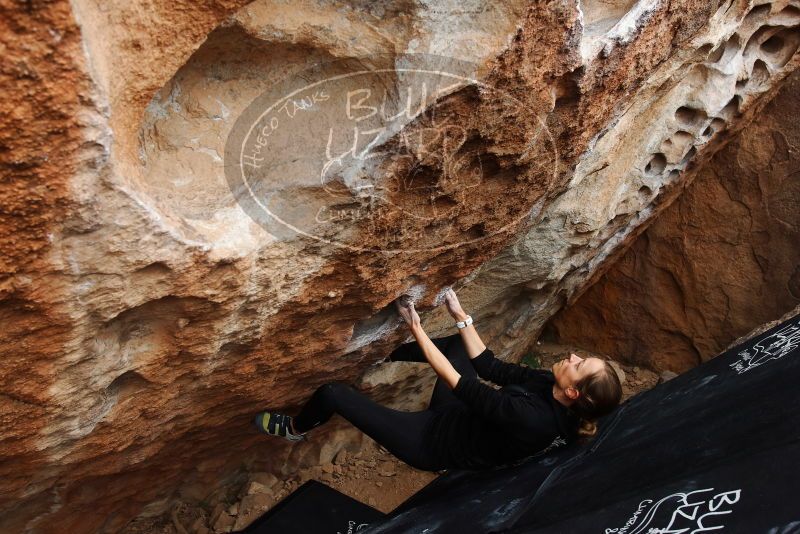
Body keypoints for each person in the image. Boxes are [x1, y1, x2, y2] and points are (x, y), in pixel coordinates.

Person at [254, 289, 622, 471]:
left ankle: (296, 427)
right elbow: (491, 367)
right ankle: (382, 352)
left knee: (332, 394)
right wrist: (460, 314)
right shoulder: (550, 383)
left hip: (431, 442)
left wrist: (415, 327)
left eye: (579, 364)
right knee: (454, 347)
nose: (572, 357)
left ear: (572, 391)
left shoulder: (533, 418)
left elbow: (462, 385)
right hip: (460, 416)